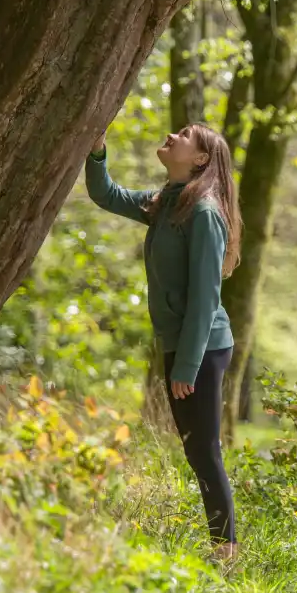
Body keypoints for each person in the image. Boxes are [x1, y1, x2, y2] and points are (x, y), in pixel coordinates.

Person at [86, 123, 241, 562]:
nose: (173, 136)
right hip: (184, 344)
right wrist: (97, 152)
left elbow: (206, 298)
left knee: (204, 449)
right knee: (196, 449)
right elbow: (107, 195)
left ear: (200, 159)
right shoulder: (167, 202)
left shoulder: (204, 212)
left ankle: (226, 552)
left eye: (186, 135)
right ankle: (222, 546)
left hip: (204, 346)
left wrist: (187, 366)